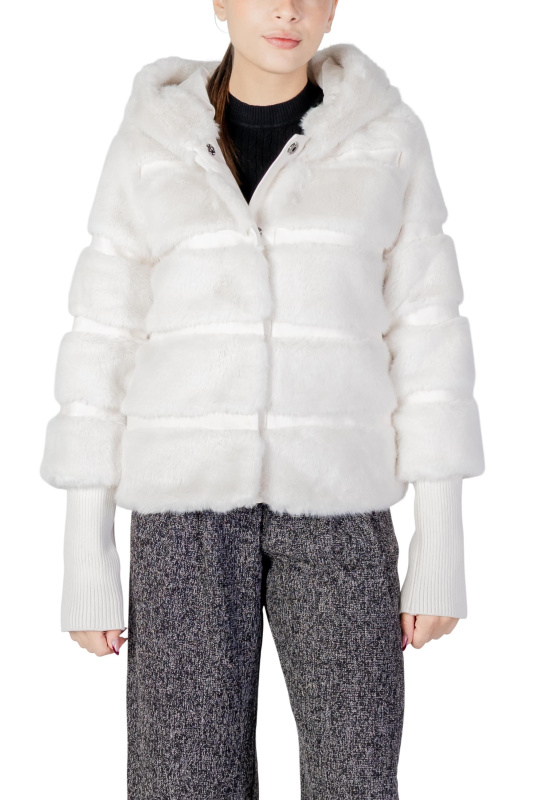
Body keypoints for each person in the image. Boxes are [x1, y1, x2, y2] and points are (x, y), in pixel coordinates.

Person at [39, 1, 485, 797]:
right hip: (183, 515)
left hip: (339, 503)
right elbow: (102, 340)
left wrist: (439, 546)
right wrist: (87, 554)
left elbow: (428, 336)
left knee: (355, 777)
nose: (287, 10)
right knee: (182, 781)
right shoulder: (149, 141)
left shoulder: (387, 137)